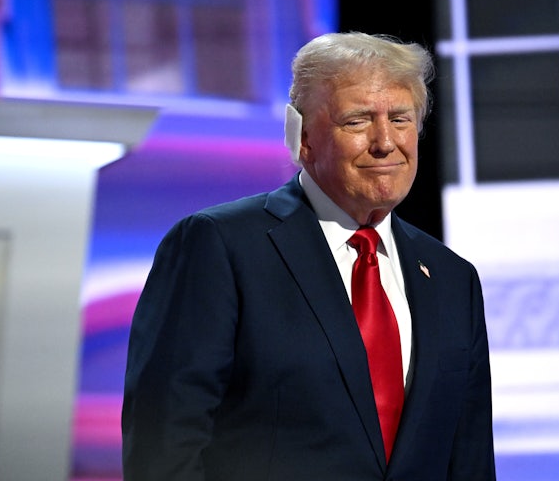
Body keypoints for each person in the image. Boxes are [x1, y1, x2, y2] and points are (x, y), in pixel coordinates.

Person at [122, 31, 496, 480]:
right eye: (357, 121)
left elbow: (469, 458)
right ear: (302, 138)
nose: (385, 142)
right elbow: (163, 448)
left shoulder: (453, 278)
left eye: (400, 119)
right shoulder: (219, 246)